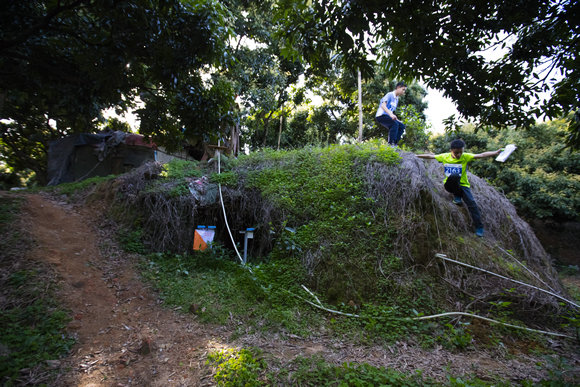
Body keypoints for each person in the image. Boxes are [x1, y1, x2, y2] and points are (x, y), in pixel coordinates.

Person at [417, 139, 501, 237]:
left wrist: (495, 152)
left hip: (463, 185)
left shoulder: (465, 156)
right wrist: (415, 156)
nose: (459, 155)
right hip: (449, 185)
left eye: (461, 152)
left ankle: (479, 227)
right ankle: (457, 196)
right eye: (456, 153)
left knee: (472, 203)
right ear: (451, 150)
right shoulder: (444, 156)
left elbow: (481, 155)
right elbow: (430, 156)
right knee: (454, 176)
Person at [375, 81, 407, 146]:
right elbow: (383, 105)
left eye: (404, 90)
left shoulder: (396, 99)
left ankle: (394, 144)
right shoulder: (390, 95)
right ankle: (390, 144)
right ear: (398, 87)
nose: (404, 92)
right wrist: (391, 115)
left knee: (401, 126)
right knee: (394, 124)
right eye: (403, 89)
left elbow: (391, 111)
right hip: (381, 115)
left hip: (388, 116)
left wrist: (398, 120)